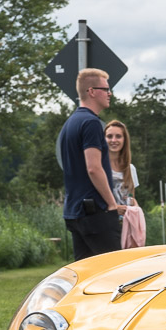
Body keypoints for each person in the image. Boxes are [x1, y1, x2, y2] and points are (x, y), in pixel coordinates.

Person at [60, 68, 122, 260]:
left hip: (74, 213)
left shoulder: (70, 123)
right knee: (113, 272)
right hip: (95, 214)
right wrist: (112, 204)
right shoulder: (91, 123)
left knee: (87, 277)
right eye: (105, 89)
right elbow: (93, 168)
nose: (109, 93)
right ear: (92, 92)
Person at [105, 120, 145, 249]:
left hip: (127, 226)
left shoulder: (130, 168)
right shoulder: (100, 168)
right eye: (109, 136)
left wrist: (136, 209)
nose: (113, 140)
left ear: (124, 140)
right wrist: (114, 207)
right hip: (106, 225)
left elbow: (131, 197)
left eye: (118, 136)